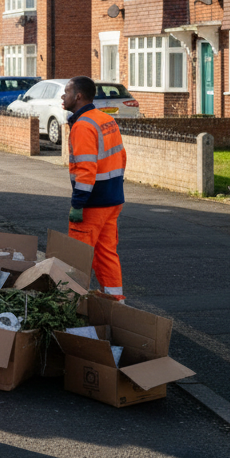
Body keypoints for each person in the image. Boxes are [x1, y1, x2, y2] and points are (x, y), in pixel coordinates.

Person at [61, 75, 127, 300]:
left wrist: (78, 203)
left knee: (77, 256)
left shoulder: (83, 126)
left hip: (92, 204)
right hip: (113, 199)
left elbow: (86, 170)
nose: (63, 96)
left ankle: (72, 304)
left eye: (66, 92)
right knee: (106, 253)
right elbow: (121, 156)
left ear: (78, 96)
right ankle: (116, 302)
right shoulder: (105, 119)